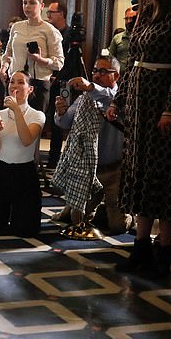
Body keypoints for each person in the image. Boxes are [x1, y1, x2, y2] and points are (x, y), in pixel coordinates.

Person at [106, 0, 171, 278]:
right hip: (139, 107)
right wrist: (120, 98)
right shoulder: (144, 12)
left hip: (164, 108)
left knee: (164, 178)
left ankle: (163, 251)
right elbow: (132, 61)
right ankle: (140, 248)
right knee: (141, 173)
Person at [53, 56, 132, 235]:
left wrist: (90, 87)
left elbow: (109, 96)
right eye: (95, 71)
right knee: (76, 219)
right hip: (90, 171)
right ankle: (86, 208)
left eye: (103, 72)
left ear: (117, 76)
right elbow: (65, 123)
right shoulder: (85, 98)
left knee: (118, 226)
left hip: (115, 172)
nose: (96, 75)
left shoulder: (123, 99)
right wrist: (60, 112)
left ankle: (124, 212)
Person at [0, 71, 45, 237]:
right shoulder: (0, 115)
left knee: (25, 229)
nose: (15, 86)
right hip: (2, 171)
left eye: (21, 82)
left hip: (25, 174)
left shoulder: (37, 115)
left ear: (30, 89)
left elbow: (27, 139)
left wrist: (16, 109)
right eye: (12, 82)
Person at [0, 0, 64, 112]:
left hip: (38, 83)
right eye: (24, 3)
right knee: (10, 122)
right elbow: (8, 53)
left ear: (41, 6)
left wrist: (40, 60)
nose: (27, 6)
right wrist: (3, 67)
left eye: (32, 3)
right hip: (15, 83)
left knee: (33, 126)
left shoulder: (50, 30)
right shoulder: (16, 27)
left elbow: (59, 63)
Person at [46, 2, 70, 168]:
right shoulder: (49, 33)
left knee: (59, 120)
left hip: (63, 83)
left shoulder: (69, 35)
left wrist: (57, 76)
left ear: (61, 14)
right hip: (47, 80)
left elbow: (69, 62)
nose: (48, 16)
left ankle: (54, 159)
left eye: (51, 13)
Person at [0, 15, 21, 108]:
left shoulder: (20, 42)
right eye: (10, 27)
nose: (10, 31)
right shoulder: (3, 42)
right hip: (1, 74)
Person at [108, 5, 137, 74]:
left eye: (131, 18)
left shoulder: (142, 38)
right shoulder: (117, 38)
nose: (129, 21)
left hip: (136, 75)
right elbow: (110, 59)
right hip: (120, 77)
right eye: (126, 19)